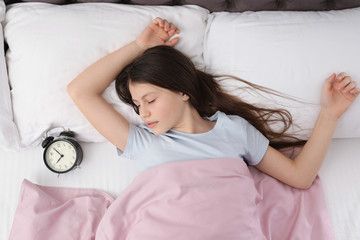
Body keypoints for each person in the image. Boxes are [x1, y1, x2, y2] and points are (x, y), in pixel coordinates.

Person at [67, 17, 359, 190]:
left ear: (183, 91)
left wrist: (329, 115)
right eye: (137, 106)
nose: (143, 113)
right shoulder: (143, 143)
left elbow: (300, 177)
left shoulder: (234, 130)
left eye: (151, 100)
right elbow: (80, 91)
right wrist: (139, 46)